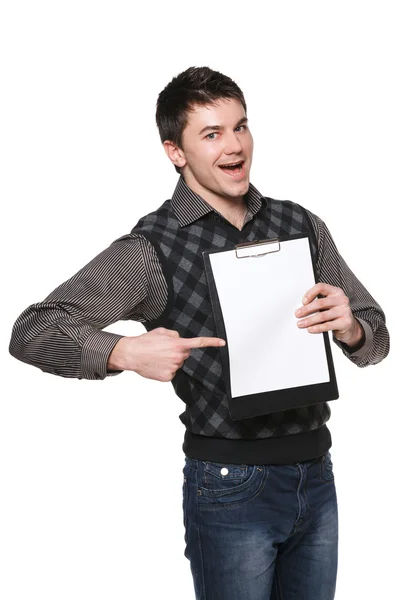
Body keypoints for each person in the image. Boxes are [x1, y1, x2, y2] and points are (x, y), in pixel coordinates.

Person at [9, 66, 390, 600]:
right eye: (211, 134)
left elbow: (377, 337)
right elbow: (32, 329)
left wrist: (351, 327)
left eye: (240, 126)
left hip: (316, 477)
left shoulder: (301, 225)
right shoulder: (151, 248)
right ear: (176, 151)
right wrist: (122, 351)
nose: (234, 145)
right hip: (230, 487)